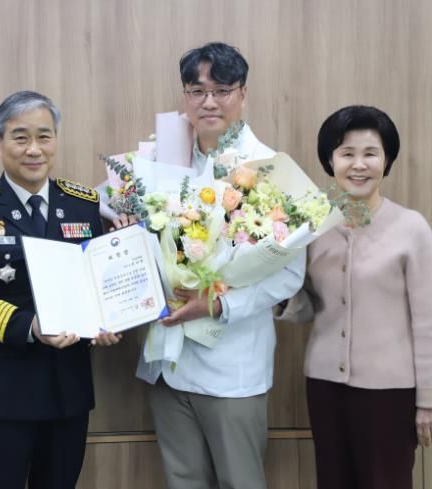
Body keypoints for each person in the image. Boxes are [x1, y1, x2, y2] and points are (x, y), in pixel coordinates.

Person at [134, 42, 306, 489]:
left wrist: (218, 305)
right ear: (185, 96)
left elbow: (289, 275)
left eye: (222, 90)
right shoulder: (158, 162)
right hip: (169, 362)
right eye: (197, 91)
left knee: (239, 482)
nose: (208, 101)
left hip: (232, 366)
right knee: (183, 480)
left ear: (243, 94)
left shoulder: (271, 169)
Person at [0, 90, 120, 489]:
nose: (34, 149)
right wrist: (29, 326)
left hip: (67, 389)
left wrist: (107, 320)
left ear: (55, 140)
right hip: (1, 391)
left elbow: (95, 281)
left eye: (44, 136)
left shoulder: (83, 205)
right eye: (21, 137)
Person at [278, 105, 432, 489]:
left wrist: (429, 399)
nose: (359, 165)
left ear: (386, 160)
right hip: (324, 385)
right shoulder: (314, 227)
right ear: (330, 160)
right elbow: (311, 305)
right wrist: (280, 300)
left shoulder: (412, 229)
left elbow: (431, 321)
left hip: (390, 392)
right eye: (347, 153)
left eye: (370, 153)